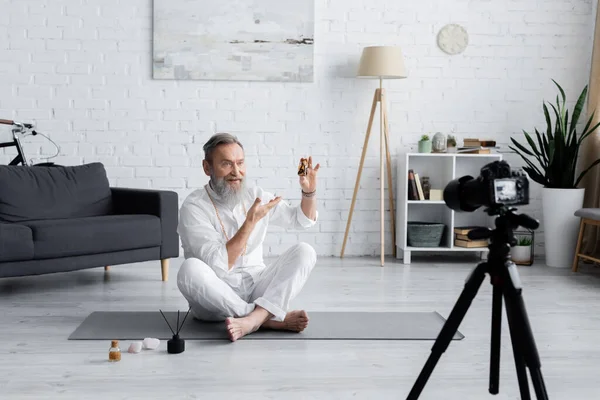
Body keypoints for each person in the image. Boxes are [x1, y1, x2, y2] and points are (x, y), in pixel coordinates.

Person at [176, 132, 320, 342]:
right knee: (188, 270)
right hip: (216, 297)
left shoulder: (256, 194)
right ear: (207, 168)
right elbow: (217, 266)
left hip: (257, 286)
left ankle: (253, 319)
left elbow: (300, 220)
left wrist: (309, 192)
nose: (236, 172)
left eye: (240, 163)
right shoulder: (194, 207)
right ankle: (264, 317)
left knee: (305, 251)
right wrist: (249, 223)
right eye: (226, 164)